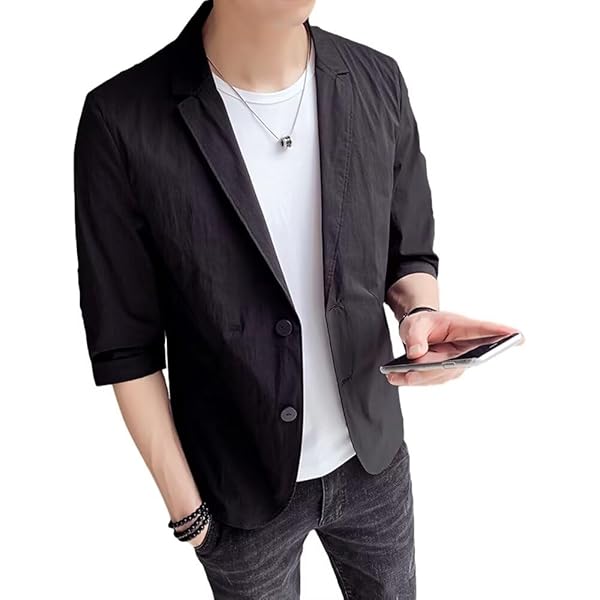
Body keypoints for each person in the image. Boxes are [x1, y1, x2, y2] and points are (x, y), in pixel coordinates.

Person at [73, 1, 518, 598]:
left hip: (374, 462)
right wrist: (190, 516)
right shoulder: (122, 119)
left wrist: (420, 314)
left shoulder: (377, 79)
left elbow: (408, 251)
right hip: (237, 495)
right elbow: (126, 345)